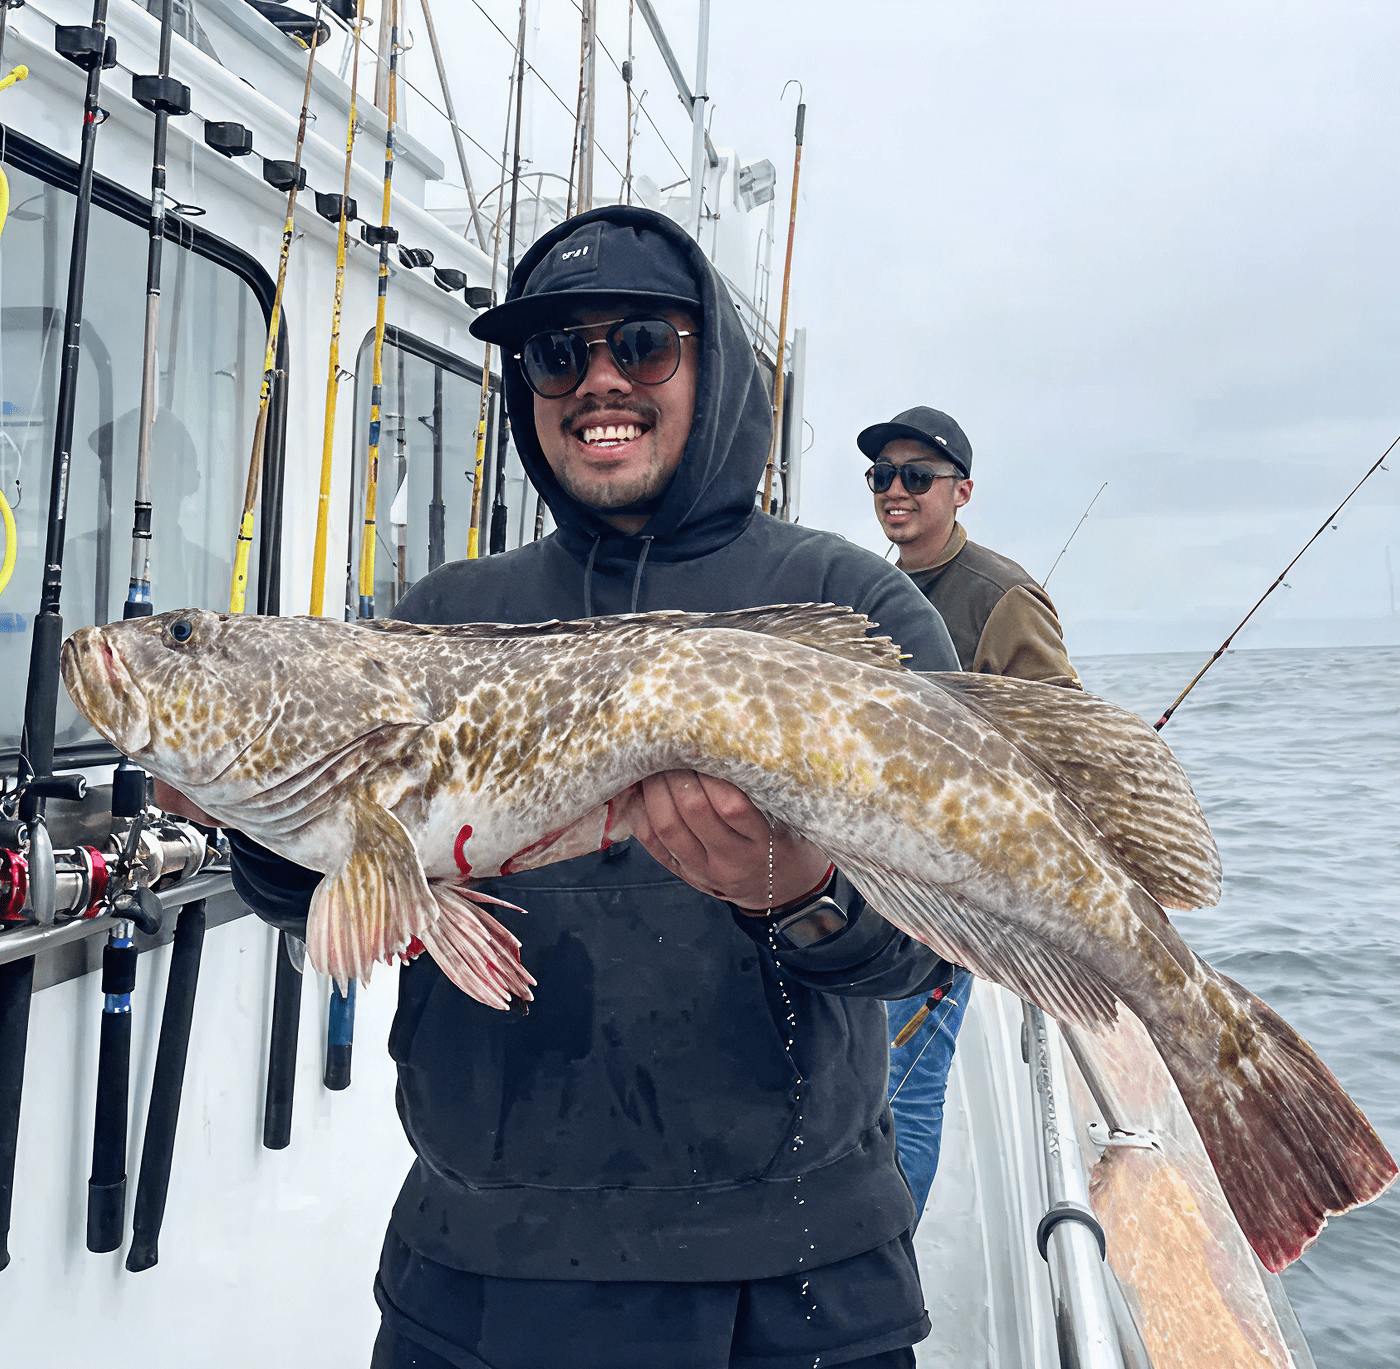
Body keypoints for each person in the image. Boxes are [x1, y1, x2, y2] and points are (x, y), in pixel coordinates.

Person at [167, 209, 966, 1369]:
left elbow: (929, 949)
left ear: (713, 366)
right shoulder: (439, 614)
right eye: (555, 353)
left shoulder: (850, 609)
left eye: (641, 342)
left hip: (795, 1282)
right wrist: (250, 811)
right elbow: (342, 894)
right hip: (475, 1271)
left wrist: (791, 886)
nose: (597, 379)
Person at [859, 404, 1081, 1223]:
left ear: (962, 490)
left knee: (906, 1082)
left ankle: (890, 1254)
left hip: (948, 891)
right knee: (856, 1075)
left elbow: (1062, 745)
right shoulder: (866, 586)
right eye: (883, 475)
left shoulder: (1003, 594)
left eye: (917, 476)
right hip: (869, 873)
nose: (896, 491)